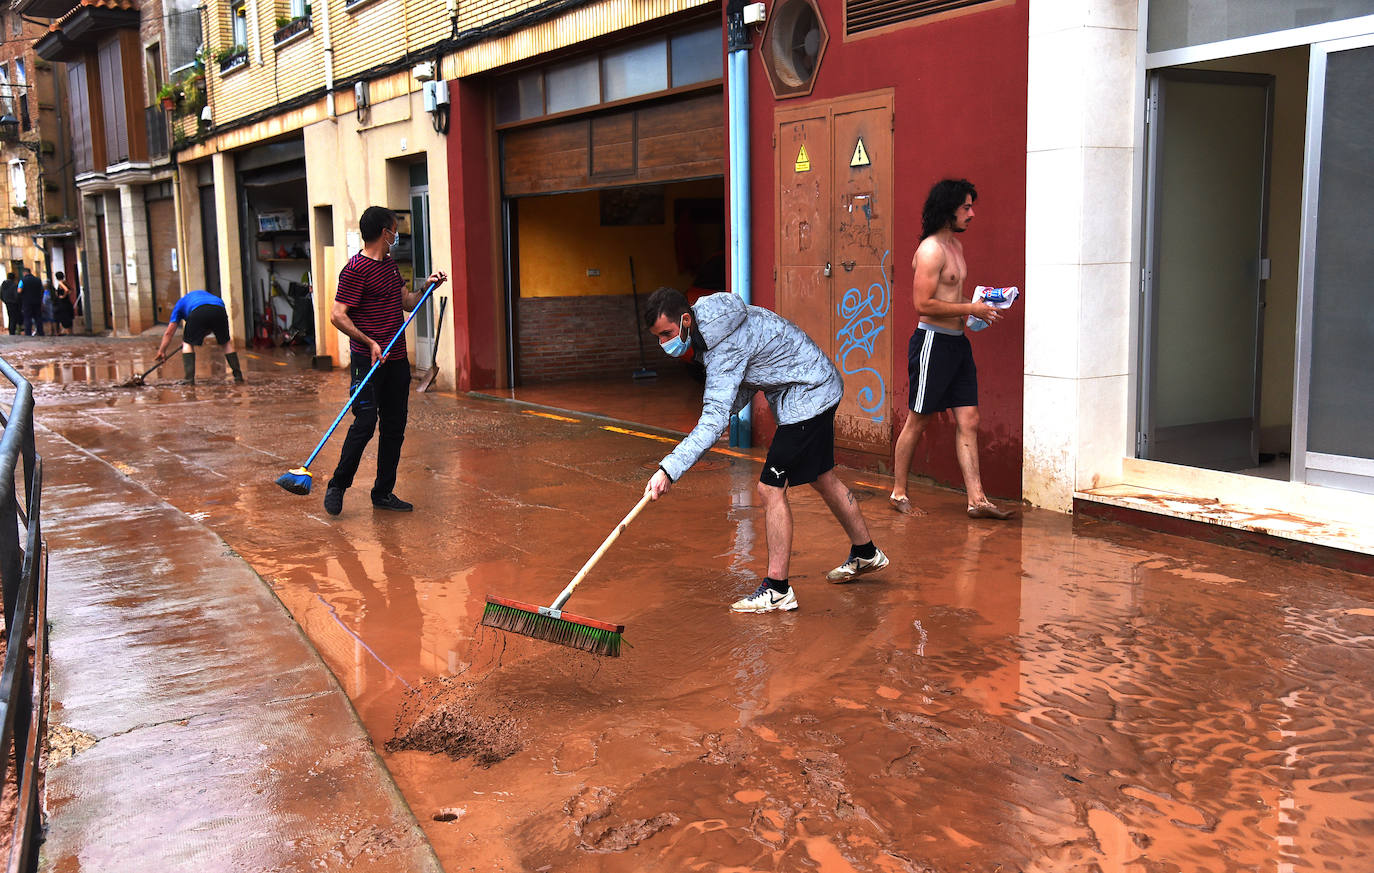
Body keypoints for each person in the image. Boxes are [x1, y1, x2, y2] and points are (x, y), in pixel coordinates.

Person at [643, 286, 889, 614]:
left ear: (686, 319)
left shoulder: (723, 343)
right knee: (822, 477)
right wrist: (714, 417)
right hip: (817, 384)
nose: (665, 344)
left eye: (667, 334)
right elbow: (742, 388)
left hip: (808, 395)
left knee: (769, 488)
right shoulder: (709, 327)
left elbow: (716, 414)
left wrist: (668, 469)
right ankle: (866, 552)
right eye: (658, 337)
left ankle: (777, 589)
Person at [889, 179, 1016, 521]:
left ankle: (977, 500)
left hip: (958, 344)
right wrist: (969, 309)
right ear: (948, 209)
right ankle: (898, 492)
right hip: (933, 342)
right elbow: (922, 304)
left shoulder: (956, 247)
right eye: (966, 207)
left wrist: (981, 307)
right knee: (918, 418)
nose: (972, 213)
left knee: (970, 419)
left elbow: (949, 299)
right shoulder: (932, 250)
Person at [322, 206, 447, 517]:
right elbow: (338, 315)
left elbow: (406, 303)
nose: (396, 234)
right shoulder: (355, 270)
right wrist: (370, 342)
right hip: (368, 361)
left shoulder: (390, 267)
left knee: (394, 427)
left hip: (397, 361)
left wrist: (427, 288)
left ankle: (383, 492)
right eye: (393, 229)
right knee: (364, 424)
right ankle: (338, 484)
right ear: (383, 232)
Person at [155, 289, 245, 384]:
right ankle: (238, 376)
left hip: (198, 311)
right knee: (226, 343)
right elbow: (209, 322)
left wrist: (162, 351)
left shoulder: (179, 304)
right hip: (219, 309)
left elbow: (169, 333)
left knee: (187, 344)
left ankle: (189, 379)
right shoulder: (208, 296)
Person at [19, 267, 43, 336]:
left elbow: (19, 290)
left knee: (27, 318)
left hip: (27, 302)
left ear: (24, 273)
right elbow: (42, 290)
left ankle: (28, 333)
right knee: (38, 317)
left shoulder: (22, 281)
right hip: (37, 301)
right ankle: (40, 332)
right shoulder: (38, 280)